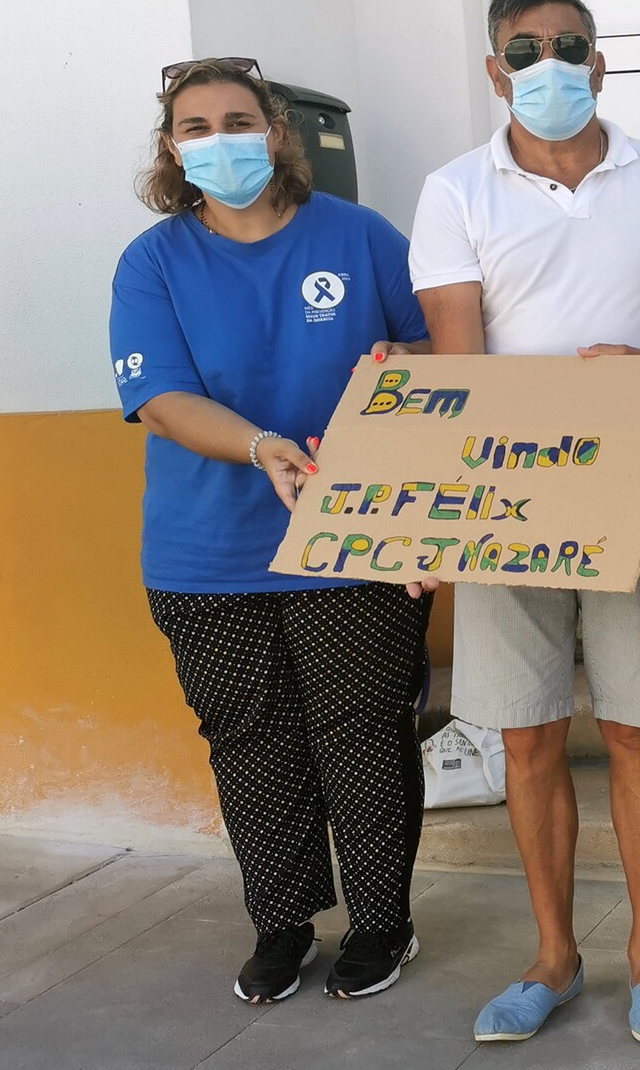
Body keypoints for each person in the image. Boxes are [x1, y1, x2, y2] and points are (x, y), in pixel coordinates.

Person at [410, 0, 640, 1047]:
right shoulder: (455, 191)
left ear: (600, 64)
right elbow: (460, 363)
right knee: (528, 737)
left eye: (569, 45)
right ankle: (554, 955)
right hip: (509, 500)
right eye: (526, 48)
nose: (549, 63)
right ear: (495, 69)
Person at [110, 58, 433, 1005]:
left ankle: (381, 924)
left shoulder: (362, 236)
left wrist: (401, 362)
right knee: (250, 742)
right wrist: (264, 449)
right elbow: (159, 398)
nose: (221, 139)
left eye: (238, 120)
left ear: (278, 133)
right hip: (206, 557)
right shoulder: (153, 261)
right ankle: (282, 924)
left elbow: (437, 351)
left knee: (365, 736)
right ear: (173, 148)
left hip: (354, 543)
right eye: (197, 126)